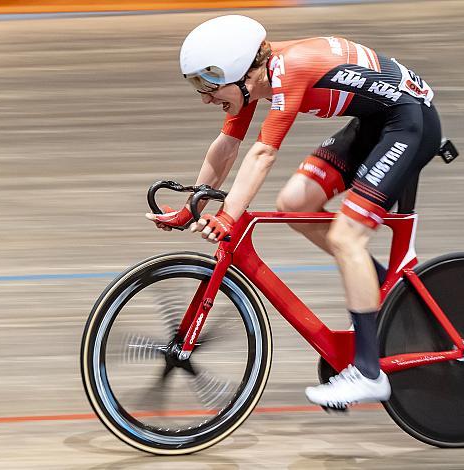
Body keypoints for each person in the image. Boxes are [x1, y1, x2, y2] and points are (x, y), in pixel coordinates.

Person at [146, 15, 443, 410]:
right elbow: (227, 145)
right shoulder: (255, 80)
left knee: (345, 236)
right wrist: (191, 207)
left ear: (238, 72)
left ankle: (369, 374)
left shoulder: (292, 70)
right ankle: (383, 296)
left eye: (207, 85)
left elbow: (264, 153)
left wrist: (229, 216)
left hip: (409, 124)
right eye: (196, 85)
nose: (203, 97)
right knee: (294, 205)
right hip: (376, 123)